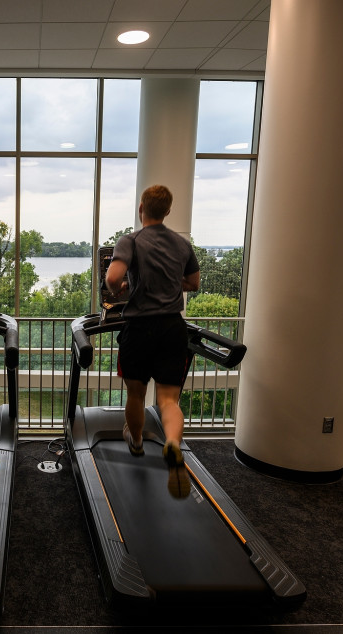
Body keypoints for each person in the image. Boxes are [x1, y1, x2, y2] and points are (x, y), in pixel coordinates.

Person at [105, 185, 200, 499]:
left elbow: (112, 278)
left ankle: (136, 442)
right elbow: (194, 283)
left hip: (140, 327)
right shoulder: (181, 243)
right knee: (169, 400)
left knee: (135, 393)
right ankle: (172, 442)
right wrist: (172, 283)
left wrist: (120, 288)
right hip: (173, 327)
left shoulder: (130, 240)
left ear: (141, 207)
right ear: (168, 211)